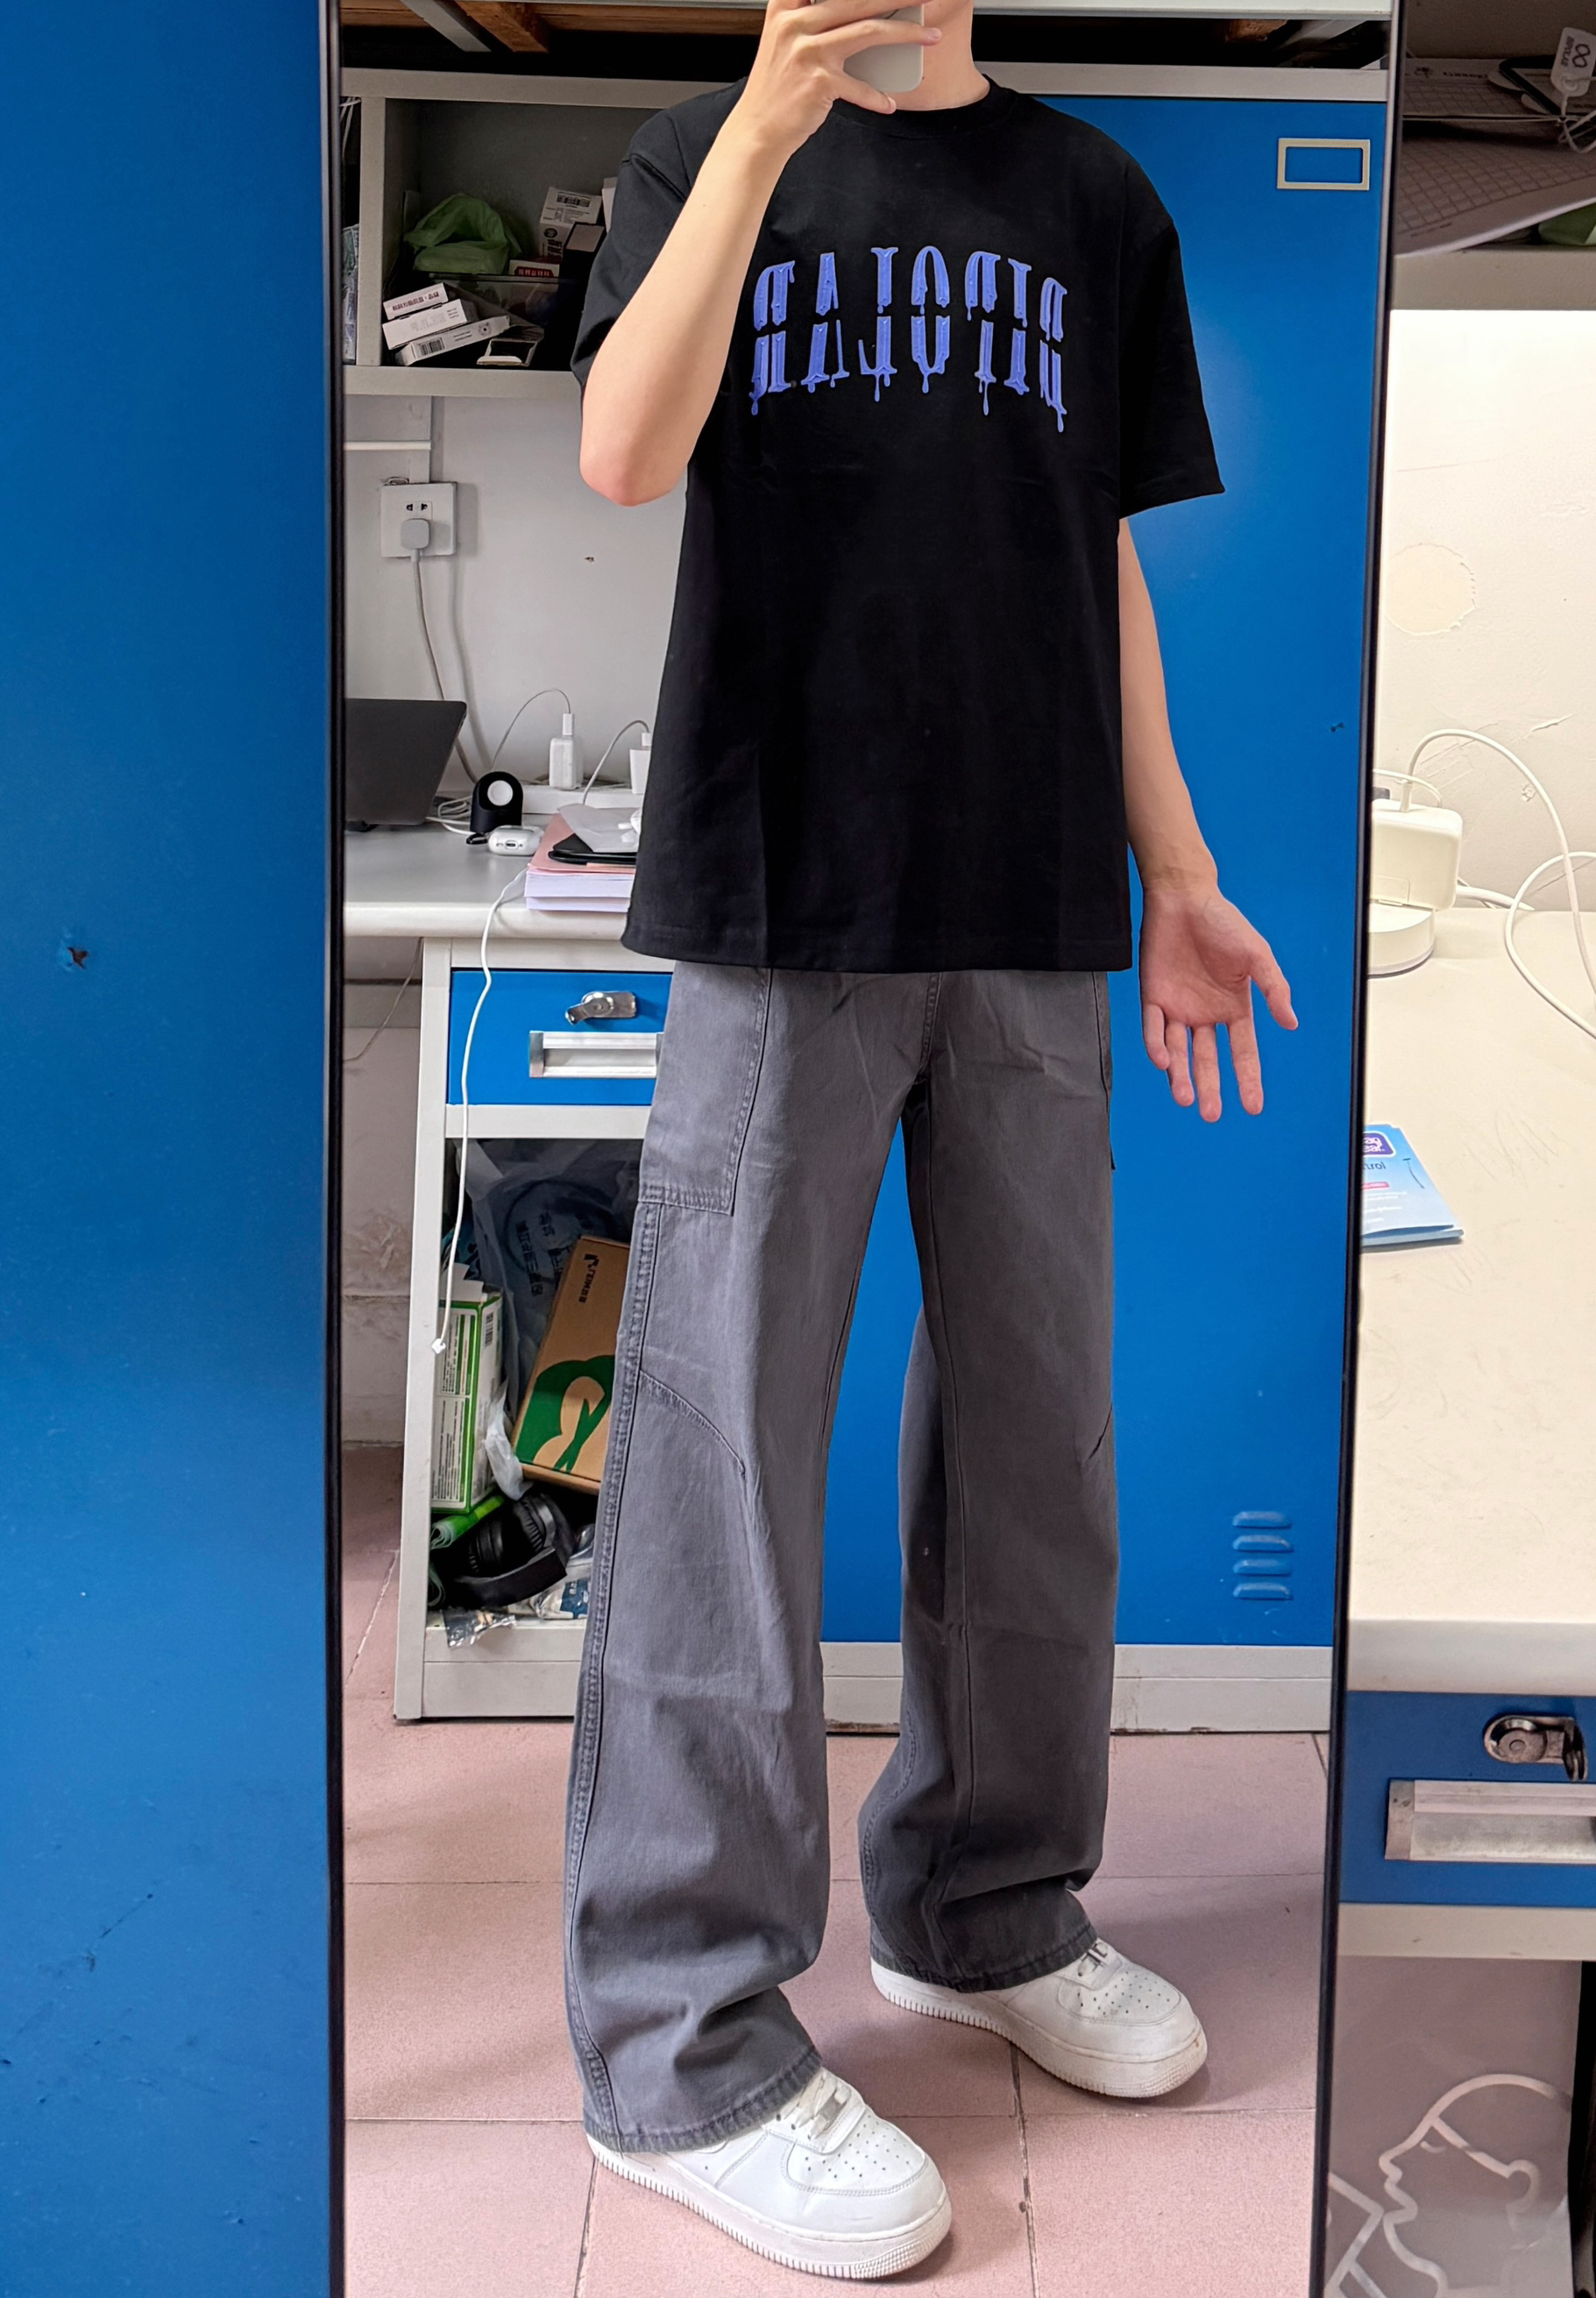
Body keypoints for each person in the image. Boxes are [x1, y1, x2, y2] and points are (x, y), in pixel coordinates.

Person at [564, 0, 1295, 2273]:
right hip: (777, 902)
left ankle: (986, 1910)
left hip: (1033, 909)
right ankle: (680, 2044)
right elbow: (622, 451)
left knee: (1038, 1452)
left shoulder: (1091, 199)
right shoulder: (700, 157)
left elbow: (1102, 566)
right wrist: (765, 129)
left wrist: (1176, 869)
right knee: (720, 1469)